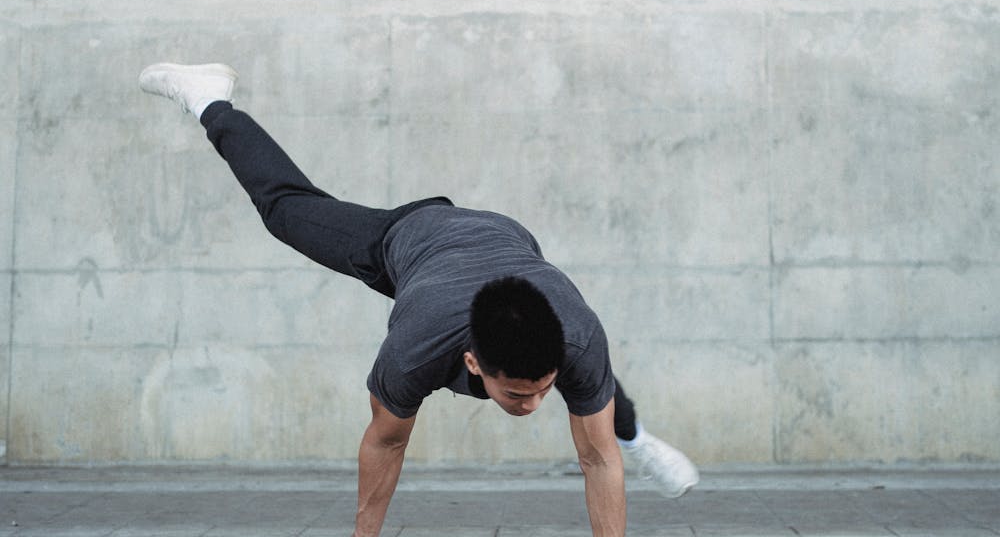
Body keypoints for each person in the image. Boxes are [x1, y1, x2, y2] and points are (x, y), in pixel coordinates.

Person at [138, 62, 699, 537]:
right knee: (285, 211)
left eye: (539, 391)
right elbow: (385, 445)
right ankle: (211, 98)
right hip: (410, 240)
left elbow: (597, 458)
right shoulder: (414, 349)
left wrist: (597, 423)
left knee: (588, 374)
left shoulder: (575, 334)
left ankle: (639, 436)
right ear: (473, 363)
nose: (530, 408)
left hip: (513, 247)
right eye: (517, 394)